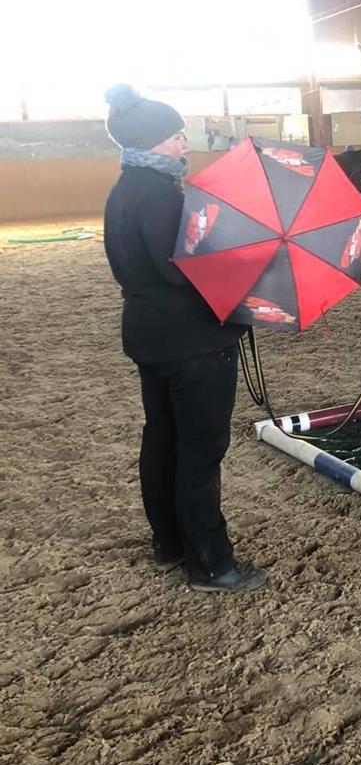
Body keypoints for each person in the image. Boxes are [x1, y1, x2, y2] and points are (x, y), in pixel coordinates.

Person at [102, 85, 267, 593]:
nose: (182, 145)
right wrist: (246, 261)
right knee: (200, 450)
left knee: (163, 441)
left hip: (149, 333)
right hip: (193, 342)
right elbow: (187, 270)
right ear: (152, 143)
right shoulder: (160, 194)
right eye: (175, 137)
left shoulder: (125, 189)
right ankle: (212, 563)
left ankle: (169, 543)